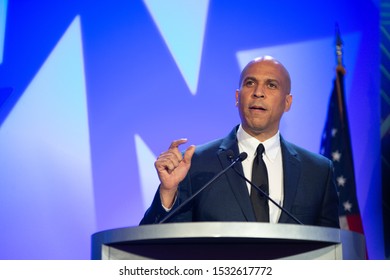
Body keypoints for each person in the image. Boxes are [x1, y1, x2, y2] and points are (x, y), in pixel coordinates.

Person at [140, 56, 340, 228]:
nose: (258, 92)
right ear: (238, 97)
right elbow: (155, 243)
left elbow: (333, 251)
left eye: (271, 85)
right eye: (250, 83)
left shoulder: (318, 172)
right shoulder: (195, 163)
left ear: (287, 102)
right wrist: (168, 192)